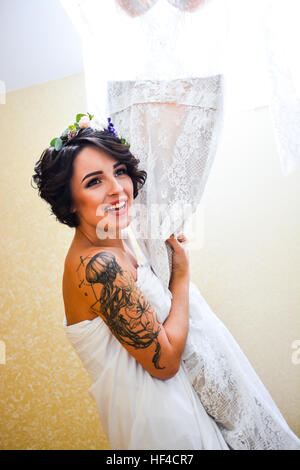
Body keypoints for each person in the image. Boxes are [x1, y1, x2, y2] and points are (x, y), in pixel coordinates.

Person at [32, 114, 300, 450]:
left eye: (119, 172)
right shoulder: (96, 266)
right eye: (94, 181)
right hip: (164, 430)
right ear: (69, 201)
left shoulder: (121, 237)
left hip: (180, 408)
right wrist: (182, 276)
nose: (117, 189)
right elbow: (165, 360)